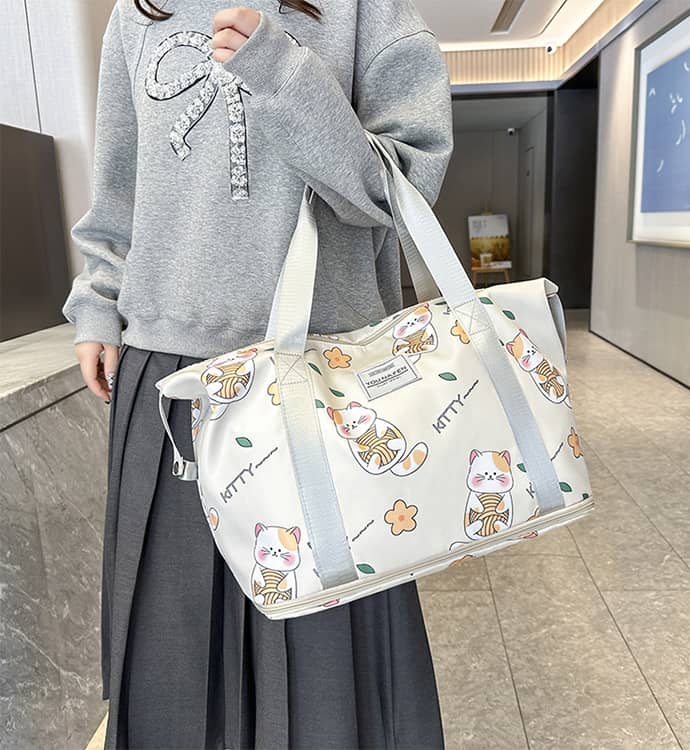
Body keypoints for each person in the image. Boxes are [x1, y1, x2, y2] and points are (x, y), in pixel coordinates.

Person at [62, 0, 454, 747]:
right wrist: (99, 302)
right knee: (175, 670)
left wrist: (282, 75)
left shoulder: (366, 10)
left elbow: (401, 190)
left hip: (321, 379)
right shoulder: (137, 17)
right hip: (167, 380)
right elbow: (119, 191)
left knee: (327, 676)